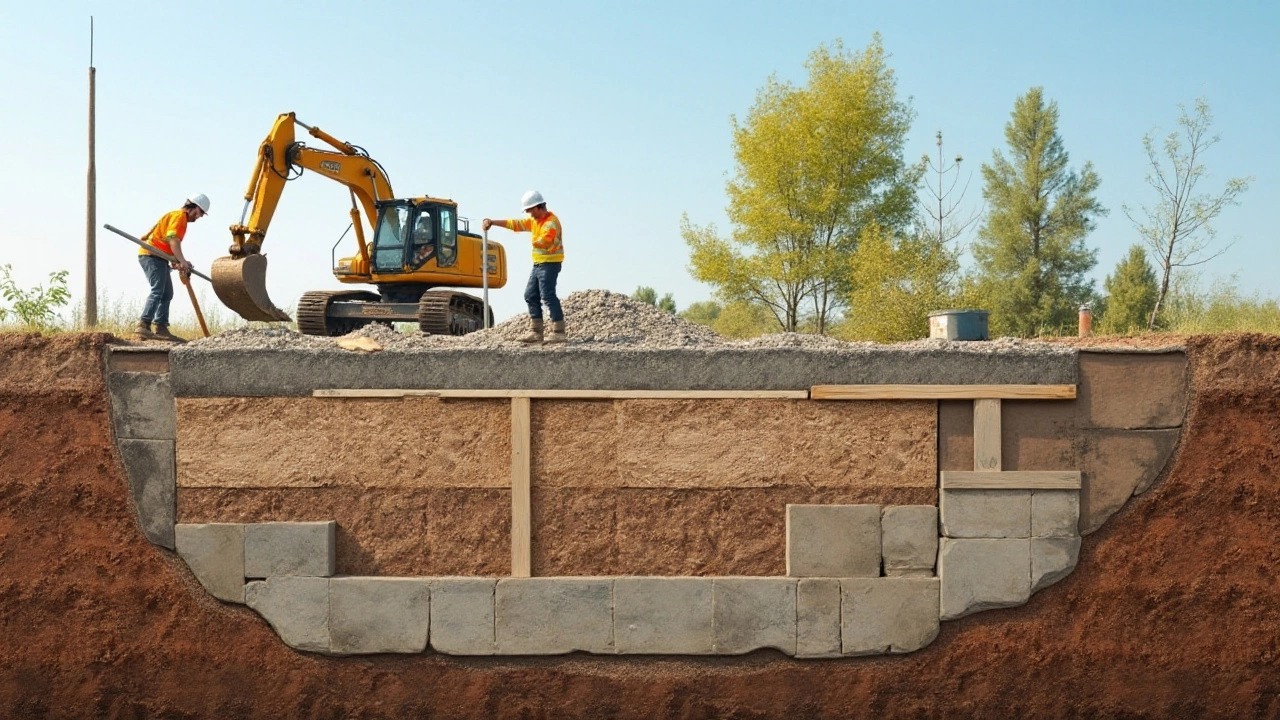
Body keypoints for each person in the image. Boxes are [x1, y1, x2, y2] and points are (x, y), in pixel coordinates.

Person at [483, 190, 566, 344]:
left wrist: (534, 240)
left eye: (530, 210)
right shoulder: (535, 221)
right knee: (530, 295)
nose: (529, 214)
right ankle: (536, 331)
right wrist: (493, 222)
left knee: (548, 295)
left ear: (537, 207)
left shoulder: (551, 222)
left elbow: (545, 241)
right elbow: (516, 224)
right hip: (538, 263)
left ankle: (559, 331)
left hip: (550, 263)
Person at [134, 193, 209, 342]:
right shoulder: (179, 216)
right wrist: (182, 261)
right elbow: (173, 239)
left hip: (159, 257)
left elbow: (168, 243)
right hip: (151, 255)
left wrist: (178, 261)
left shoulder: (176, 216)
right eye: (200, 213)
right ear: (194, 208)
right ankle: (143, 325)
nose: (199, 217)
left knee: (167, 293)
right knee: (158, 290)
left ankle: (161, 327)